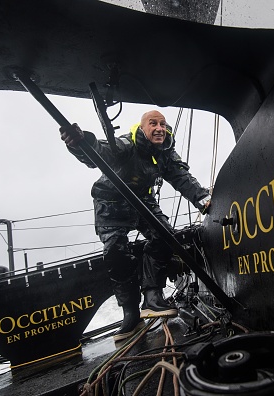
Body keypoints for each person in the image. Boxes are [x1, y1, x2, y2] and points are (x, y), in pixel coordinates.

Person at [60, 110, 211, 342]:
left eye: (163, 124)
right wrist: (81, 142)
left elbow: (182, 178)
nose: (160, 128)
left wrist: (203, 199)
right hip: (110, 204)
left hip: (143, 199)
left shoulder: (166, 152)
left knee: (165, 236)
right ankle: (131, 313)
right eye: (153, 123)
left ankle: (152, 297)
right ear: (142, 128)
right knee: (115, 252)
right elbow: (99, 152)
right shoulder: (125, 145)